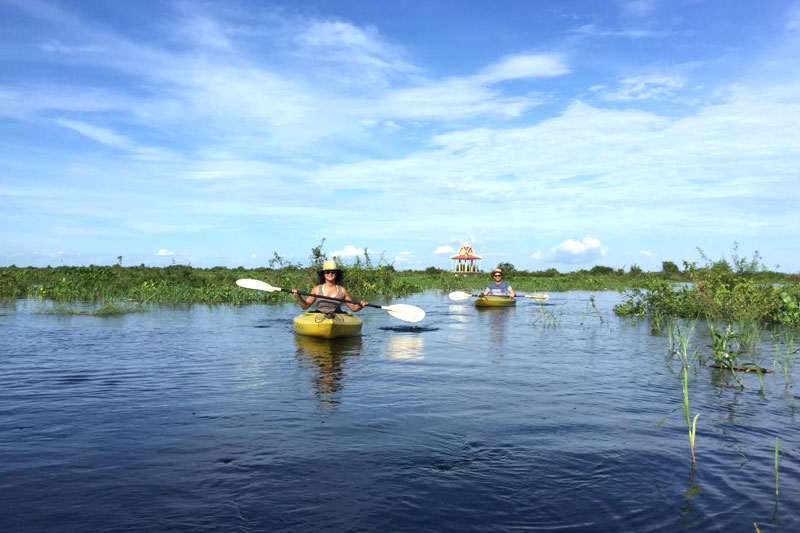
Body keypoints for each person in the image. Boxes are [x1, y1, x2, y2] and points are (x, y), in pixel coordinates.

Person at [292, 259, 367, 313]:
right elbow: (305, 307)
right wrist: (298, 296)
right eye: (327, 272)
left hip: (337, 317)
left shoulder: (342, 290)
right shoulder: (317, 289)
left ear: (336, 274)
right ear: (323, 274)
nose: (330, 274)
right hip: (319, 316)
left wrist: (360, 305)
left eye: (333, 272)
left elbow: (353, 308)